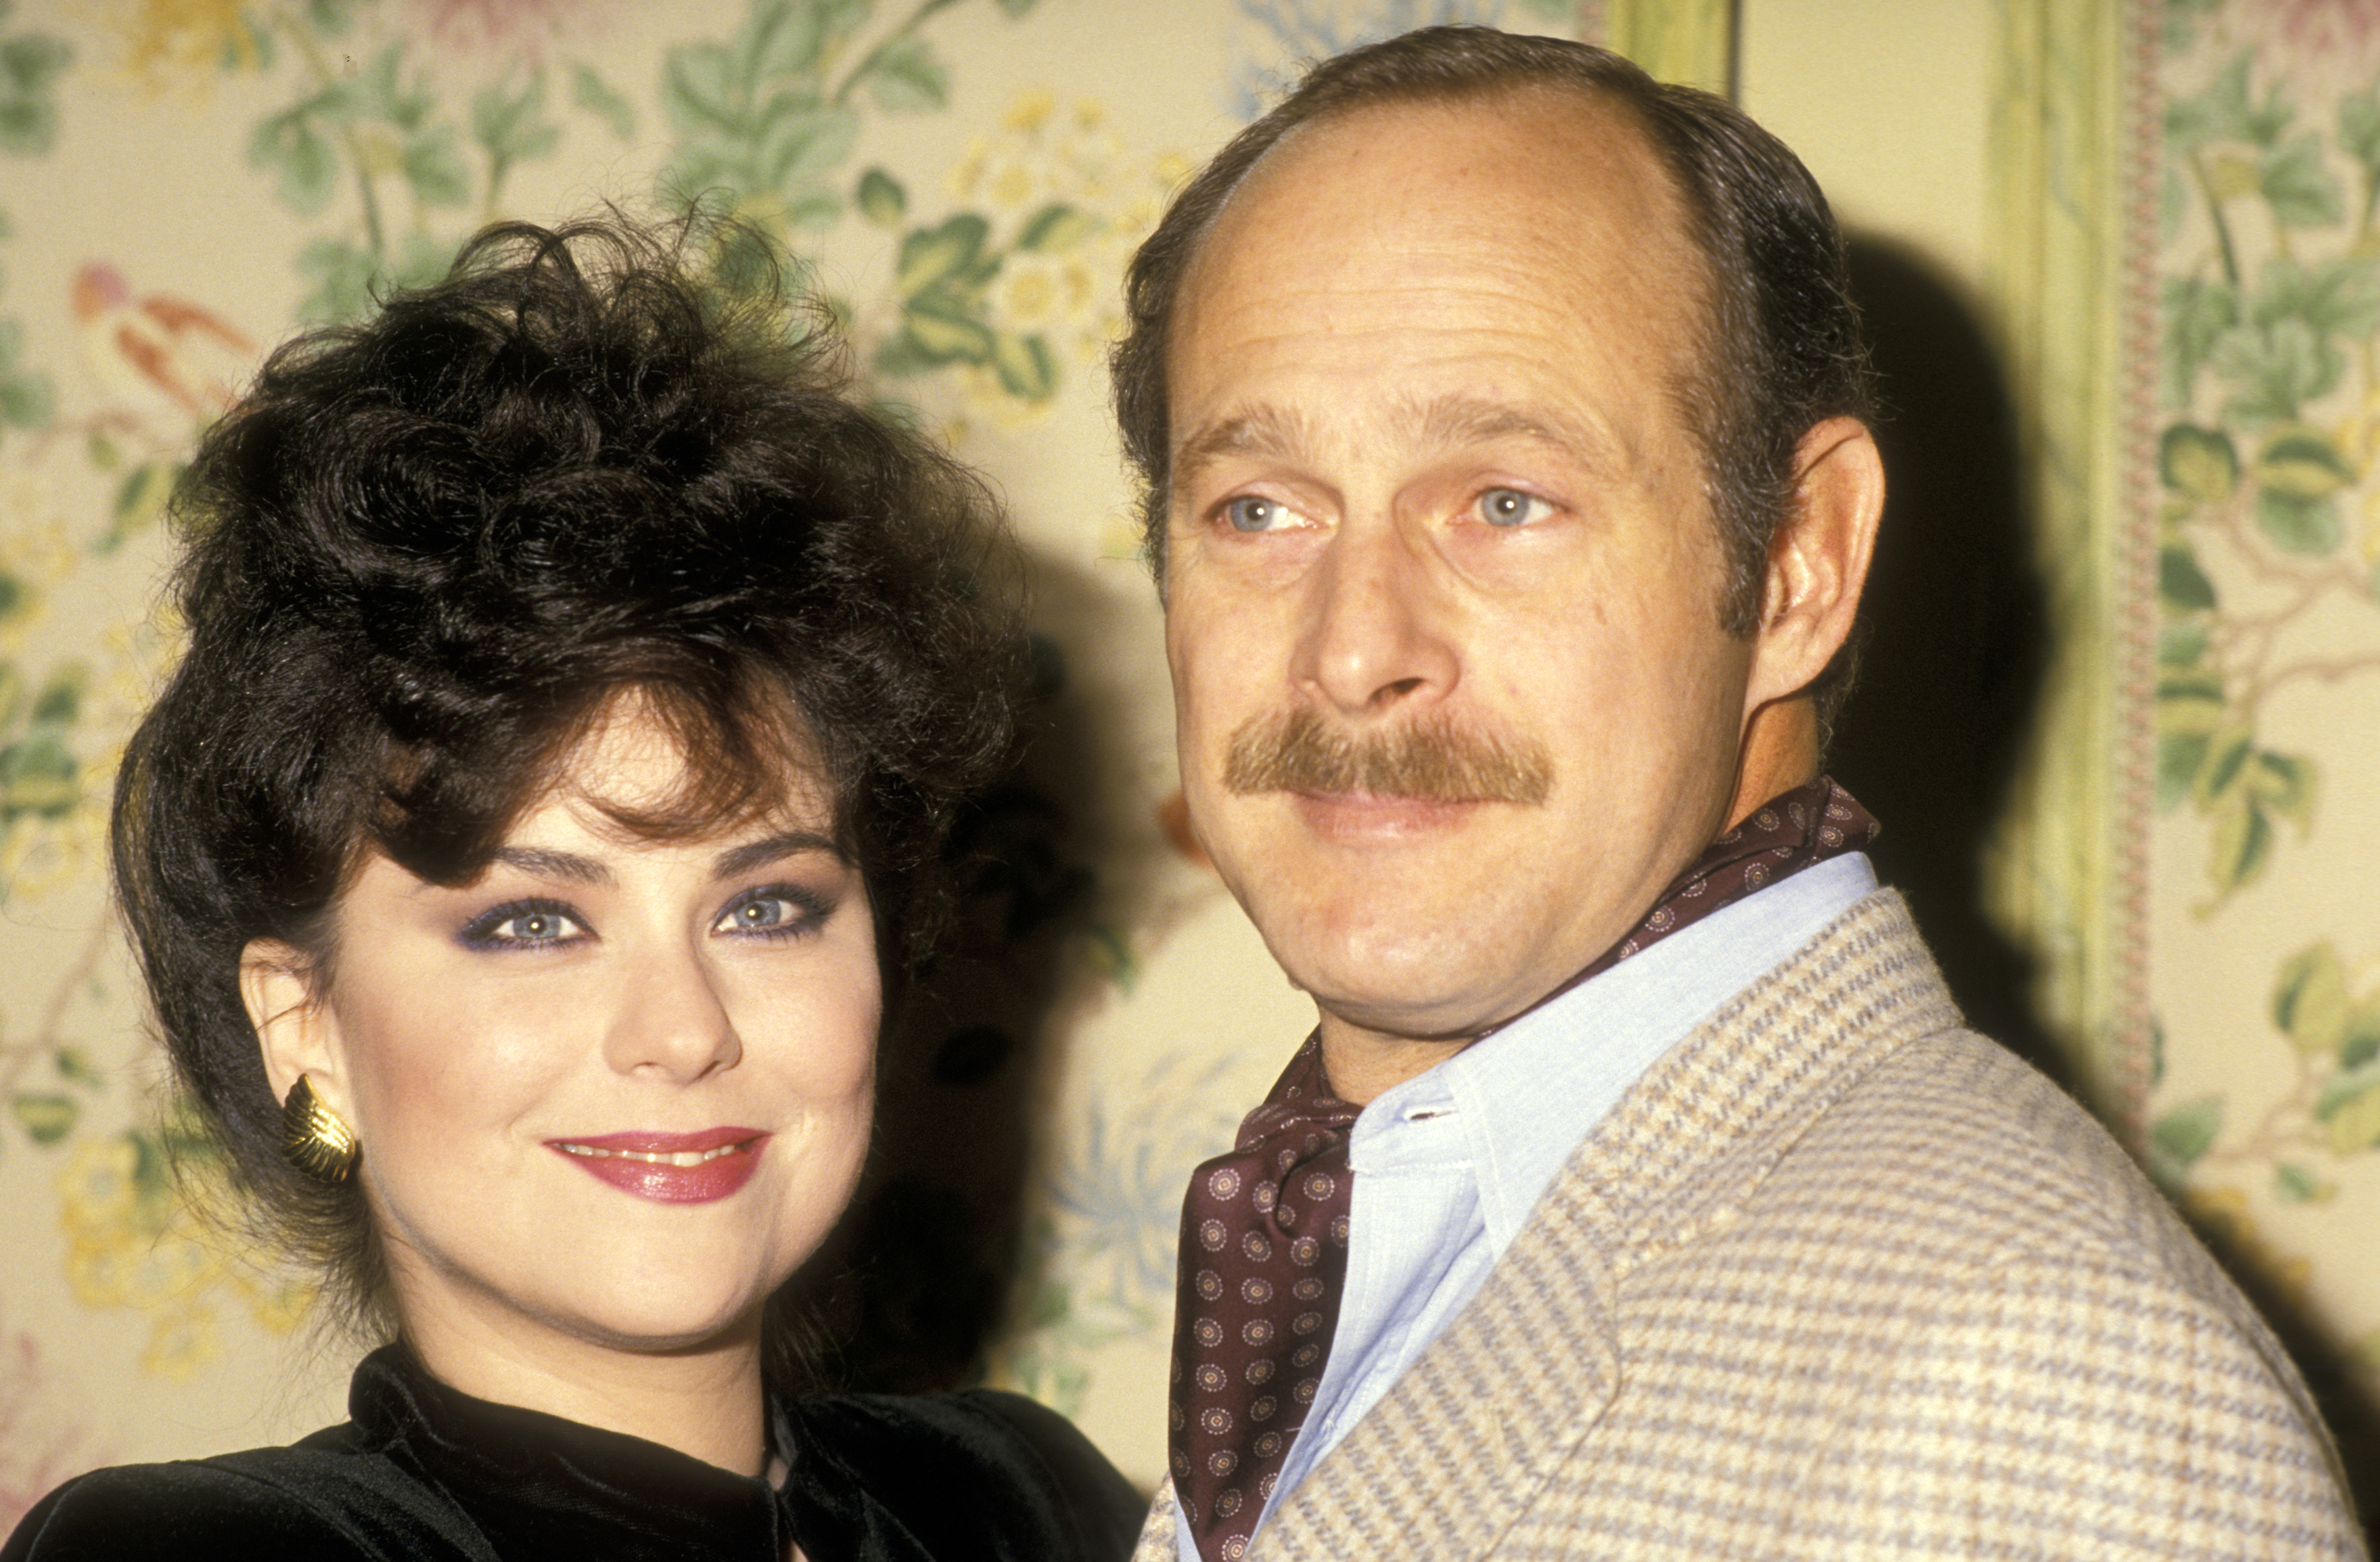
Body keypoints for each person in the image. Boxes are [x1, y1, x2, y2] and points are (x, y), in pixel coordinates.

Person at [1113, 27, 2367, 1561]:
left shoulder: (2046, 1377)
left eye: (1506, 500)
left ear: (1798, 563)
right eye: (1257, 508)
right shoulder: (1384, 1224)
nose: (1356, 648)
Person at [3, 216, 1142, 1561]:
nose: (682, 1027)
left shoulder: (1015, 1500)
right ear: (304, 1025)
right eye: (533, 921)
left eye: (765, 906)